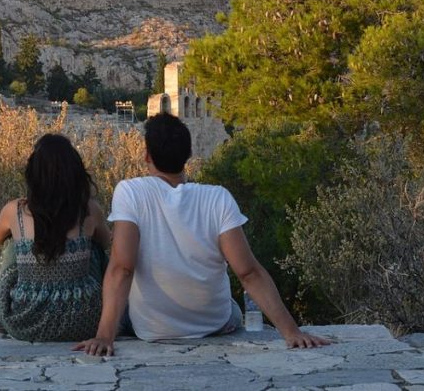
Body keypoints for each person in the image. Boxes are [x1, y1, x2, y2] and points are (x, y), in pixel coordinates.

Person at [75, 113, 330, 356]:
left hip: (152, 329)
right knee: (232, 308)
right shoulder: (218, 197)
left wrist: (104, 336)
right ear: (189, 155)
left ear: (146, 156)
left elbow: (122, 267)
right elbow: (248, 273)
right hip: (214, 324)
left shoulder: (130, 192)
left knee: (129, 302)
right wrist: (291, 332)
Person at [0, 133, 111, 342]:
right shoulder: (89, 210)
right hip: (84, 320)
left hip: (26, 322)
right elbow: (107, 243)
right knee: (94, 248)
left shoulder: (15, 211)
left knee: (11, 245)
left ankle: (7, 312)